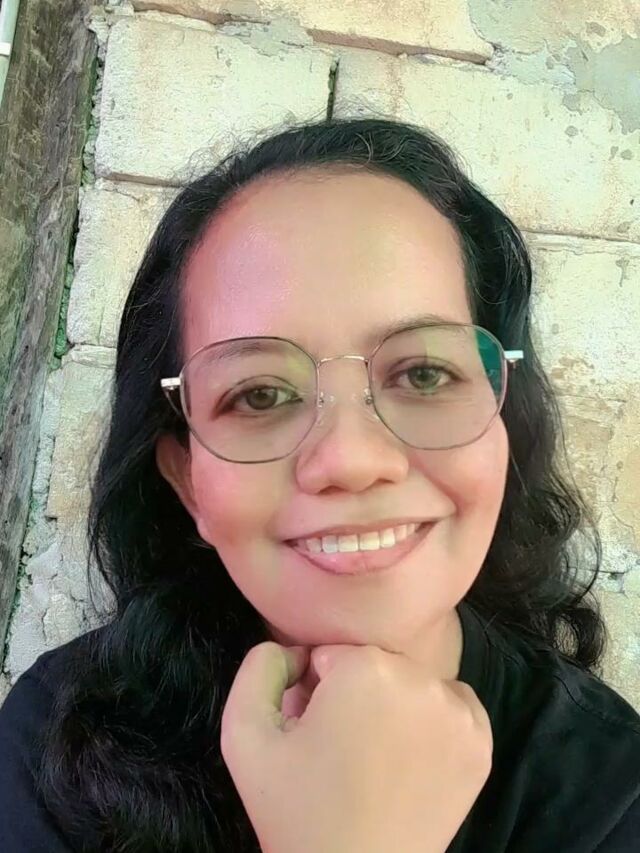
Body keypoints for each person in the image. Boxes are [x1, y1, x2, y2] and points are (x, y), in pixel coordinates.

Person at [0, 115, 638, 853]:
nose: (350, 460)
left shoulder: (613, 795)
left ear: (503, 426)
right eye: (260, 394)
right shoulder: (51, 746)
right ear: (186, 478)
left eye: (424, 374)